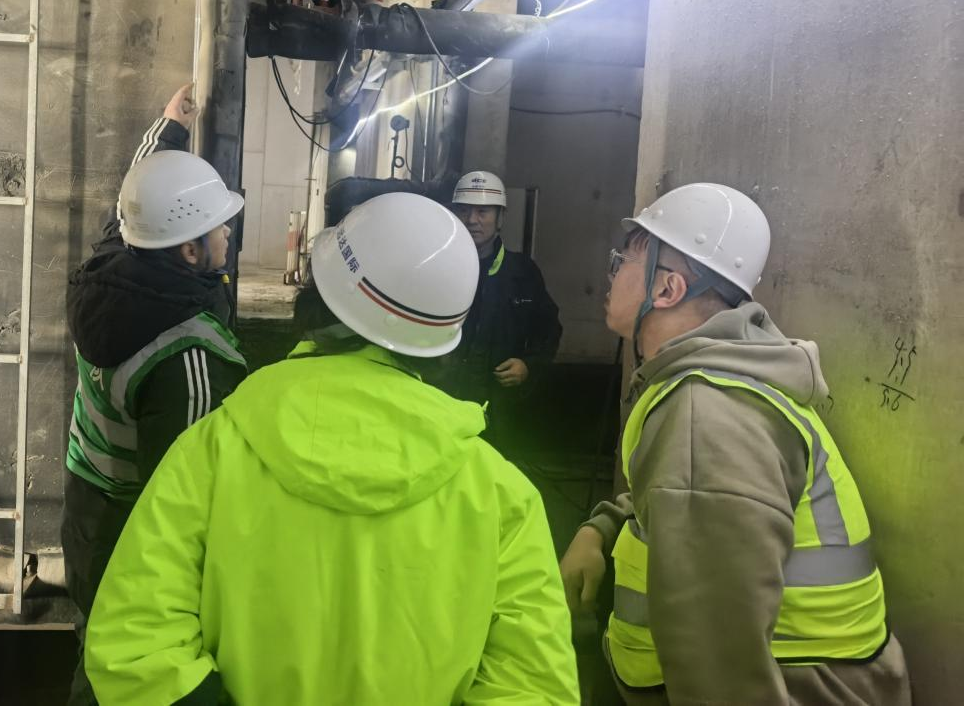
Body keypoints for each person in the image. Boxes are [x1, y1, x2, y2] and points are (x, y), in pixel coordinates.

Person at [85, 192, 580, 705]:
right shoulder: (501, 494)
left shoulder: (214, 450)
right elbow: (534, 685)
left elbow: (134, 640)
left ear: (317, 298)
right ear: (442, 340)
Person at [558, 183, 910, 704]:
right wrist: (604, 527)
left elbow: (719, 670)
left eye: (623, 261)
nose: (611, 274)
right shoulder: (720, 384)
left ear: (667, 289)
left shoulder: (707, 413)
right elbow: (688, 495)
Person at [61, 85, 248, 706]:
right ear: (190, 251)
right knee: (126, 663)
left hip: (86, 501)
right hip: (129, 524)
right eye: (217, 228)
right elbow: (182, 491)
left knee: (96, 638)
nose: (228, 232)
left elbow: (134, 206)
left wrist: (169, 131)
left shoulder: (111, 270)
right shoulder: (186, 354)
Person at [444, 170, 562, 448]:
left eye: (483, 212)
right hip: (444, 397)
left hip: (499, 409)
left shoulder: (522, 272)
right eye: (464, 210)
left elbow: (549, 329)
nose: (472, 220)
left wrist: (529, 365)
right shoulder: (439, 266)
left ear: (500, 218)